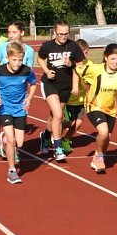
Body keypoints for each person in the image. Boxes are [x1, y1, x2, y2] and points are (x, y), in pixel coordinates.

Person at [81, 44, 117, 173]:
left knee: (107, 138)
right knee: (103, 132)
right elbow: (77, 71)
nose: (116, 62)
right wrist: (77, 88)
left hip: (111, 109)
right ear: (106, 57)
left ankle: (98, 158)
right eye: (113, 59)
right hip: (94, 105)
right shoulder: (95, 69)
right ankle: (99, 156)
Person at [0, 42, 37, 184]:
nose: (17, 63)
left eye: (20, 60)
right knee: (12, 140)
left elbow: (33, 84)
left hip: (20, 109)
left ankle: (3, 138)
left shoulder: (27, 71)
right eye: (14, 60)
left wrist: (29, 99)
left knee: (20, 143)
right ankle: (12, 170)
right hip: (5, 107)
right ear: (7, 58)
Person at [37, 20, 82, 161]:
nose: (63, 36)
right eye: (60, 34)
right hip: (50, 84)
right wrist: (46, 70)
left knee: (54, 117)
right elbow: (39, 58)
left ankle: (45, 136)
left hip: (65, 86)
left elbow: (80, 66)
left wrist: (71, 65)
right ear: (55, 32)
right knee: (59, 115)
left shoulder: (73, 46)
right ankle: (57, 148)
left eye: (66, 34)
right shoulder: (48, 46)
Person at [61, 39, 90, 156]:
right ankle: (54, 131)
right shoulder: (69, 65)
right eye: (82, 52)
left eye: (87, 52)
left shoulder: (89, 65)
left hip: (81, 100)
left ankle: (66, 139)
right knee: (69, 122)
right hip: (67, 99)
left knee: (77, 124)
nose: (85, 55)